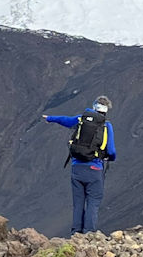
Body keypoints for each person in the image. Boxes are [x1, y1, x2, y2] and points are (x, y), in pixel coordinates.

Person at [44, 96, 117, 233]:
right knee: (93, 202)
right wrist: (109, 158)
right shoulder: (106, 126)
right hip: (95, 169)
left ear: (94, 106)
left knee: (78, 203)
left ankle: (75, 233)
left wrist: (50, 118)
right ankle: (88, 234)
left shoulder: (81, 119)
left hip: (77, 168)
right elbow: (112, 151)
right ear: (106, 110)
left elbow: (65, 120)